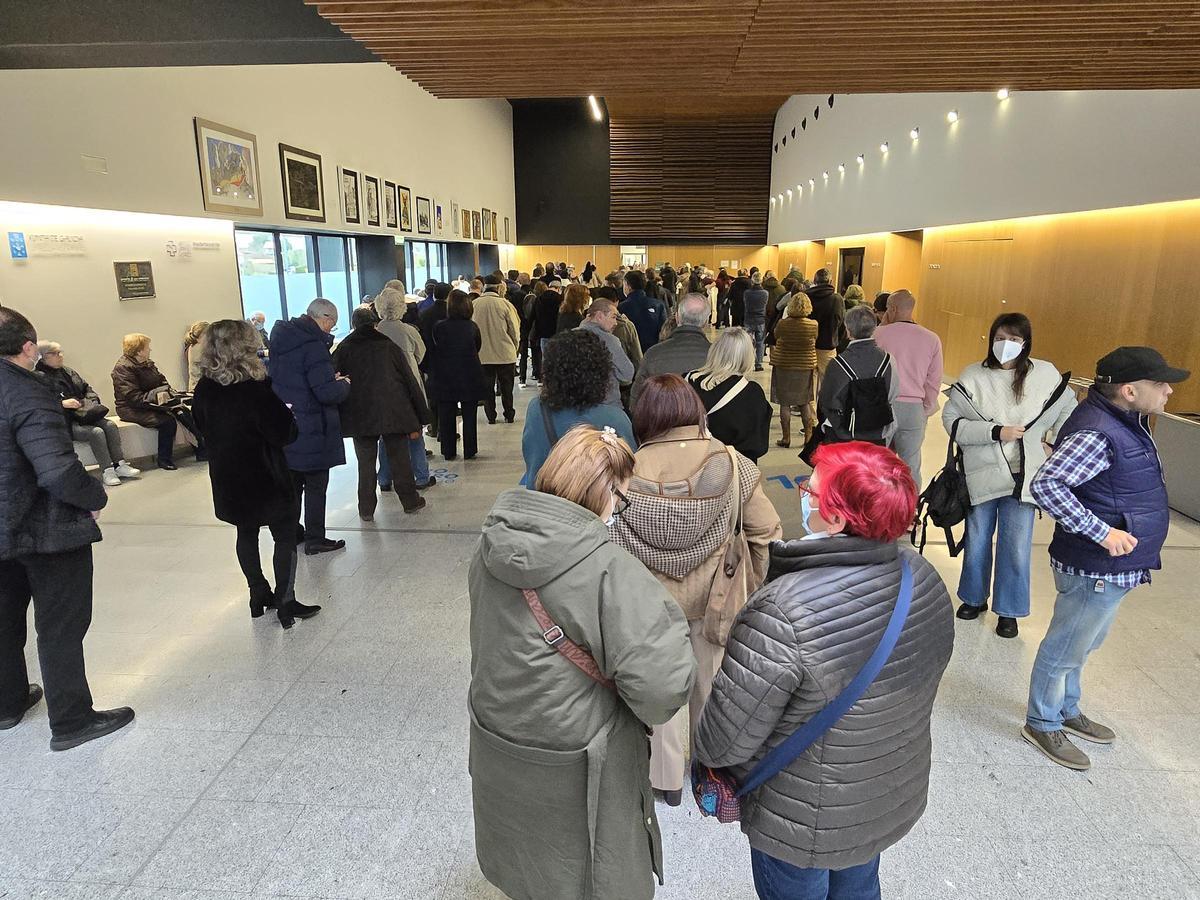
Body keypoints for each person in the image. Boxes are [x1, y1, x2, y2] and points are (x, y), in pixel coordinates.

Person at [694, 441, 954, 900]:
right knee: (858, 884)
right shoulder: (922, 577)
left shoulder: (785, 608)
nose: (802, 495)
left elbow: (723, 740)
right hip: (881, 790)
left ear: (835, 519)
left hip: (799, 818)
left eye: (808, 490)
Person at [468, 424, 696, 900]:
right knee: (589, 864)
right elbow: (661, 690)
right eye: (624, 499)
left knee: (528, 859)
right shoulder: (609, 572)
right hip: (581, 753)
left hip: (499, 737)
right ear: (605, 493)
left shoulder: (491, 545)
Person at [611, 374, 780, 806]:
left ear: (643, 416)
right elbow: (765, 532)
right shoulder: (733, 462)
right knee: (710, 684)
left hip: (647, 604)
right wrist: (755, 588)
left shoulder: (623, 472)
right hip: (717, 600)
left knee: (658, 689)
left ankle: (663, 779)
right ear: (695, 409)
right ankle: (708, 772)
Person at [1024, 346, 1189, 770]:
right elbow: (1047, 485)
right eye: (1161, 383)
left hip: (1112, 565)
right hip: (1093, 565)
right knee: (1065, 646)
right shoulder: (1099, 432)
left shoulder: (1126, 421)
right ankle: (1042, 721)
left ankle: (1066, 708)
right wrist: (1103, 532)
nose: (1169, 391)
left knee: (1085, 641)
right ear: (1130, 391)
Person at [0, 307, 135, 751]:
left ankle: (8, 703)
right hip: (46, 527)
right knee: (60, 624)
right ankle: (72, 720)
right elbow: (56, 470)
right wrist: (93, 497)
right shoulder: (28, 391)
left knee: (4, 618)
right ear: (28, 348)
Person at [942, 313, 1076, 639]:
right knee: (977, 540)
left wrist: (1052, 444)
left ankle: (1009, 610)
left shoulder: (1044, 375)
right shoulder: (974, 375)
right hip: (983, 475)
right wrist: (994, 431)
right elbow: (952, 420)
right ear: (991, 338)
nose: (1006, 345)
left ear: (1026, 342)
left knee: (1015, 547)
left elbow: (1068, 413)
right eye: (1001, 338)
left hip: (1024, 478)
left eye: (1015, 340)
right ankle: (973, 598)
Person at [191, 319, 320, 629]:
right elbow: (284, 433)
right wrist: (288, 416)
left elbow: (201, 427)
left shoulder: (204, 388)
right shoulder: (255, 388)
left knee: (245, 533)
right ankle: (285, 600)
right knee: (285, 536)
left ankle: (256, 592)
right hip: (267, 475)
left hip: (228, 476)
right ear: (245, 348)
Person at [268, 298, 351, 556]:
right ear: (324, 318)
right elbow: (326, 393)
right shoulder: (313, 346)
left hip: (288, 422)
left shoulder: (282, 339)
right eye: (332, 325)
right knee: (316, 484)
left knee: (292, 484)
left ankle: (292, 533)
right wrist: (344, 384)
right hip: (313, 425)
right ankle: (316, 538)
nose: (330, 330)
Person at [332, 307, 430, 518]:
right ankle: (410, 501)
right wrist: (421, 416)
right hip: (393, 410)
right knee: (400, 459)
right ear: (374, 324)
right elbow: (409, 380)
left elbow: (334, 377)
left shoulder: (344, 347)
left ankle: (366, 509)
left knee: (365, 463)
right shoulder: (388, 346)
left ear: (354, 324)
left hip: (359, 414)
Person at [522, 329, 636, 487]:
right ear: (601, 372)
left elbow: (533, 461)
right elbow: (629, 472)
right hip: (595, 505)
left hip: (545, 501)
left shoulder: (537, 409)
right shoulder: (615, 418)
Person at [36, 341, 139, 487]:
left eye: (60, 352)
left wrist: (91, 401)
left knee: (110, 425)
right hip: (65, 421)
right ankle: (107, 470)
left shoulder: (68, 371)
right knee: (96, 432)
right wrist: (62, 404)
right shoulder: (38, 378)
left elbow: (86, 388)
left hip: (83, 413)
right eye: (54, 353)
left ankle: (119, 464)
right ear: (42, 357)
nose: (60, 356)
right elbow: (39, 403)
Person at [874, 289, 943, 489]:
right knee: (911, 466)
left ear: (893, 309)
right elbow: (934, 381)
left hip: (882, 407)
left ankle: (880, 510)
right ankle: (910, 513)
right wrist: (925, 410)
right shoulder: (932, 339)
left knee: (879, 464)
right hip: (914, 409)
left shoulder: (878, 334)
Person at [111, 332, 206, 471]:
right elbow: (132, 397)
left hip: (152, 402)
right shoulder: (122, 369)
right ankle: (164, 459)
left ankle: (201, 450)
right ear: (138, 350)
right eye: (147, 347)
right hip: (131, 408)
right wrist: (157, 396)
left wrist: (164, 394)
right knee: (167, 422)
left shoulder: (147, 363)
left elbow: (162, 380)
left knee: (183, 411)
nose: (150, 349)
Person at [374, 281, 435, 491]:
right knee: (414, 432)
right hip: (408, 387)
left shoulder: (375, 331)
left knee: (385, 435)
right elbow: (421, 353)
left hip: (381, 388)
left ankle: (384, 478)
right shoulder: (408, 330)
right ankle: (421, 475)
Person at [816, 305, 900, 446]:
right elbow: (893, 393)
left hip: (843, 433)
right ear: (874, 328)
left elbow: (827, 400)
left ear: (848, 330)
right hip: (878, 430)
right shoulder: (888, 360)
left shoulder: (838, 363)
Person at [686, 328, 772, 462]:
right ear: (748, 355)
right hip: (729, 471)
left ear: (715, 351)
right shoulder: (751, 394)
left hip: (688, 465)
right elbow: (756, 446)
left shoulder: (685, 382)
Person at [428, 290, 487, 461]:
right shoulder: (472, 327)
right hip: (469, 374)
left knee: (446, 414)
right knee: (470, 415)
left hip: (445, 376)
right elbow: (477, 346)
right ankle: (470, 449)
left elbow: (436, 347)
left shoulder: (439, 327)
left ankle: (448, 450)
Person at [630, 293, 712, 409]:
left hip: (663, 422)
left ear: (677, 317)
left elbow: (636, 399)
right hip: (704, 424)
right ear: (706, 321)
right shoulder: (718, 355)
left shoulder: (653, 354)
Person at [769, 293, 818, 448]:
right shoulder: (813, 325)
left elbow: (776, 336)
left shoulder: (783, 324)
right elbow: (815, 339)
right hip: (804, 366)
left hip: (784, 365)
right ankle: (808, 438)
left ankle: (786, 438)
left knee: (785, 402)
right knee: (804, 402)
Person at [474, 274, 521, 425]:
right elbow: (514, 329)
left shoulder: (475, 304)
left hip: (483, 354)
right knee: (507, 387)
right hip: (505, 354)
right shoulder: (505, 304)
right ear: (499, 287)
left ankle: (491, 416)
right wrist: (515, 347)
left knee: (487, 389)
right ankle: (509, 414)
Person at [578, 298, 634, 409]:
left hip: (576, 406)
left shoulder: (570, 335)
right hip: (606, 404)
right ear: (599, 316)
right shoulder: (609, 340)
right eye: (613, 317)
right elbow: (627, 374)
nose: (616, 322)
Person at [806, 268, 846, 399]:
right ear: (830, 281)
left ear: (815, 281)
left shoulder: (806, 296)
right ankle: (824, 412)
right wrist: (838, 341)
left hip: (808, 344)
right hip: (828, 344)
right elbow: (841, 322)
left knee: (810, 380)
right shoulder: (837, 299)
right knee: (828, 382)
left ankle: (809, 413)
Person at [418, 282, 451, 437]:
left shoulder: (425, 313)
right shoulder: (451, 313)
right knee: (448, 397)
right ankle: (445, 430)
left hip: (430, 358)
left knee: (433, 396)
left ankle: (434, 426)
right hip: (448, 359)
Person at [618, 270, 666, 353]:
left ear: (627, 285)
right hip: (654, 352)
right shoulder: (658, 305)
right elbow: (664, 331)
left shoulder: (621, 307)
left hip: (631, 353)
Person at [743, 272, 770, 370]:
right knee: (760, 343)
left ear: (752, 280)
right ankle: (758, 364)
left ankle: (746, 363)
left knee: (748, 342)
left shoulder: (747, 293)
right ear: (761, 280)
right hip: (760, 320)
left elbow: (745, 304)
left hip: (749, 319)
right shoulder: (765, 293)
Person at [532, 281, 563, 362]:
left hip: (543, 333)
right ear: (559, 288)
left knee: (545, 359)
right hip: (556, 332)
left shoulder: (539, 298)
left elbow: (533, 316)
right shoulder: (560, 299)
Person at [183, 320, 209, 391]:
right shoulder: (200, 348)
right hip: (201, 389)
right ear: (201, 335)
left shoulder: (191, 347)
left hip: (195, 387)